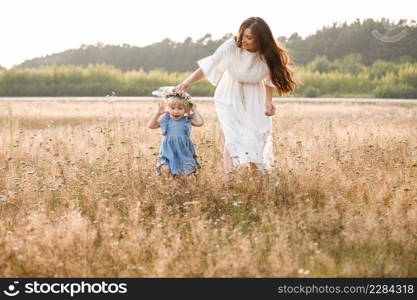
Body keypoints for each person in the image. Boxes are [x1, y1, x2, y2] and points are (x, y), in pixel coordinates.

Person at [175, 17, 297, 177]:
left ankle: (257, 177)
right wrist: (188, 81)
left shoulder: (269, 55)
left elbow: (270, 80)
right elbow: (212, 63)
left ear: (261, 40)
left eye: (249, 37)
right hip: (229, 92)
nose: (243, 41)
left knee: (255, 134)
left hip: (255, 94)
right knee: (232, 134)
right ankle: (229, 179)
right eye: (242, 35)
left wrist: (268, 101)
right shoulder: (232, 45)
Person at [147, 90, 204, 176]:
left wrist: (194, 110)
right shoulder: (166, 120)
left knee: (183, 172)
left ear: (186, 110)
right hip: (168, 150)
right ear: (167, 108)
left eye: (180, 108)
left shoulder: (187, 120)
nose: (176, 111)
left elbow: (200, 123)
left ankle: (181, 186)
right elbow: (151, 126)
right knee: (166, 169)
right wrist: (158, 113)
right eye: (172, 108)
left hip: (183, 150)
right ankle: (167, 186)